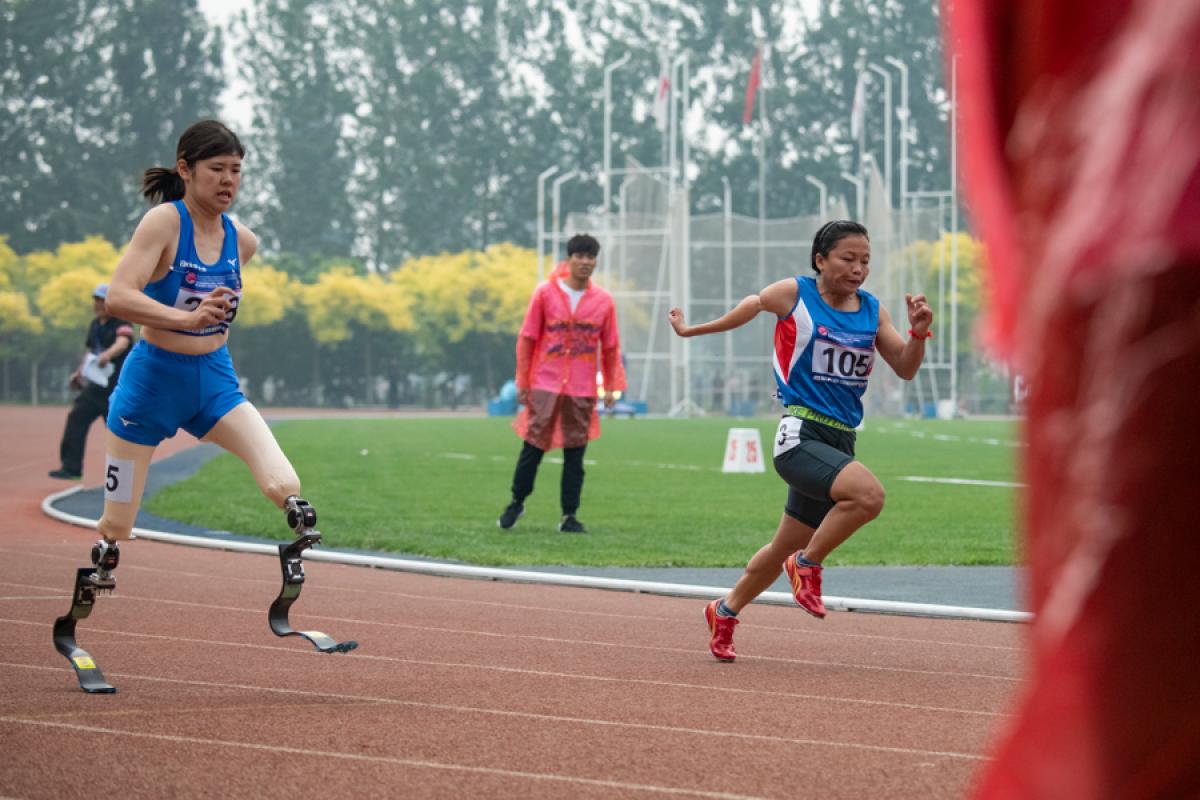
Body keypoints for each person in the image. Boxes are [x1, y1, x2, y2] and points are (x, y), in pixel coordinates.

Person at [54, 120, 352, 693]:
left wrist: (203, 327)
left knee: (286, 483)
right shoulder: (165, 222)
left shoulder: (244, 241)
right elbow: (119, 296)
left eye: (237, 170)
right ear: (185, 169)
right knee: (118, 522)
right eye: (217, 169)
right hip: (151, 382)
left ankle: (293, 560)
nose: (229, 181)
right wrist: (184, 319)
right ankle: (86, 599)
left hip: (213, 378)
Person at [668, 220, 933, 661]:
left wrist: (919, 334)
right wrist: (691, 331)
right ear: (820, 260)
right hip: (799, 435)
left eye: (865, 260)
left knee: (782, 545)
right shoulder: (794, 294)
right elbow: (750, 308)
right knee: (868, 497)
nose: (858, 269)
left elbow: (905, 366)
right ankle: (807, 565)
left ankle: (725, 610)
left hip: (840, 440)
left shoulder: (873, 311)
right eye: (848, 259)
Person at [498, 233, 626, 534]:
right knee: (532, 446)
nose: (585, 262)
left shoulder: (603, 302)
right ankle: (516, 501)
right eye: (580, 256)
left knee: (575, 453)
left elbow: (610, 346)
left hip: (580, 387)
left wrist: (610, 385)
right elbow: (528, 338)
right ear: (568, 260)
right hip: (546, 382)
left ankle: (569, 515)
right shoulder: (545, 294)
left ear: (595, 262)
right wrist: (523, 379)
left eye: (591, 257)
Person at [48, 283, 134, 480]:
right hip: (96, 388)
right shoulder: (95, 325)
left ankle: (127, 475)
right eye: (96, 300)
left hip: (116, 389)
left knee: (118, 432)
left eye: (102, 300)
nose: (98, 304)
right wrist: (79, 374)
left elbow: (123, 342)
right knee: (76, 418)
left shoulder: (121, 322)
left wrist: (107, 355)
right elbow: (90, 352)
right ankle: (71, 468)